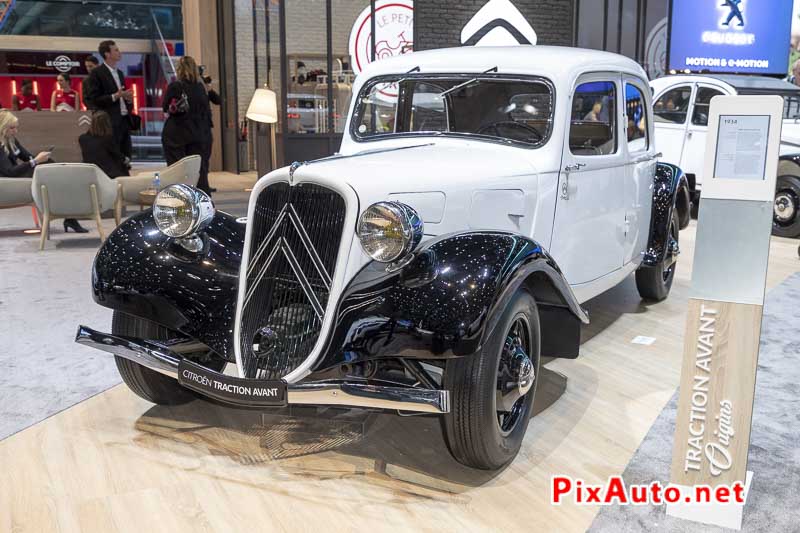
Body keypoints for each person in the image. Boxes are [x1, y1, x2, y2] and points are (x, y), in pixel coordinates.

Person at [0, 111, 87, 233]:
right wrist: (35, 161)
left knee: (50, 165)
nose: (15, 131)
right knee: (51, 173)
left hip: (16, 175)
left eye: (16, 127)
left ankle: (70, 216)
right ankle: (71, 216)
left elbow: (28, 157)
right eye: (12, 128)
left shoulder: (12, 141)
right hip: (7, 181)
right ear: (2, 128)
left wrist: (40, 158)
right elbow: (10, 172)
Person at [161, 56, 213, 195]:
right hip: (198, 133)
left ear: (179, 69)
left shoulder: (176, 86)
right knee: (198, 169)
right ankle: (202, 199)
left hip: (176, 133)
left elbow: (165, 107)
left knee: (176, 170)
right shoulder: (200, 88)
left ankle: (179, 199)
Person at [85, 40, 133, 166]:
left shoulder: (120, 73)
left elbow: (121, 95)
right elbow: (94, 98)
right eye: (116, 50)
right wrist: (115, 96)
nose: (119, 52)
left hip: (124, 119)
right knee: (113, 154)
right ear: (107, 54)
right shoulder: (97, 73)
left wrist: (128, 98)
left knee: (126, 153)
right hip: (110, 120)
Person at [79, 111, 129, 178]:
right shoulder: (107, 139)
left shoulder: (82, 139)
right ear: (107, 123)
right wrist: (126, 159)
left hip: (90, 173)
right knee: (124, 162)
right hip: (108, 174)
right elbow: (117, 155)